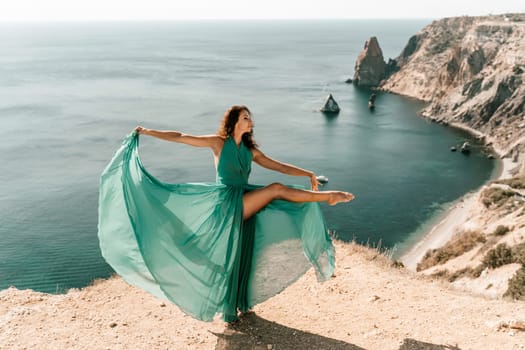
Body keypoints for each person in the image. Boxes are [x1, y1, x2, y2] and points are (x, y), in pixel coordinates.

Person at [98, 105, 354, 323]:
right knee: (275, 190)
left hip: (244, 198)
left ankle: (234, 306)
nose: (250, 121)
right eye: (245, 117)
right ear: (233, 122)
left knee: (239, 255)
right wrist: (148, 132)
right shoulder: (218, 143)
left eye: (250, 117)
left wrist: (307, 173)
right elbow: (181, 136)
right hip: (227, 204)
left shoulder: (250, 151)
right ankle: (328, 197)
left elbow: (279, 167)